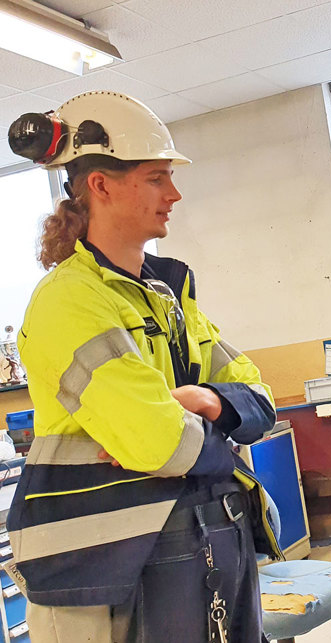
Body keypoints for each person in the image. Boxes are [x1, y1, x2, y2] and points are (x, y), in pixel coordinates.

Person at [6, 91, 281, 642]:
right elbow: (163, 443)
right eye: (157, 178)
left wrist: (204, 402)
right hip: (115, 568)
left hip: (208, 536)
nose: (174, 194)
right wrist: (214, 422)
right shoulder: (69, 301)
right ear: (102, 185)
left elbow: (260, 400)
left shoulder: (167, 292)